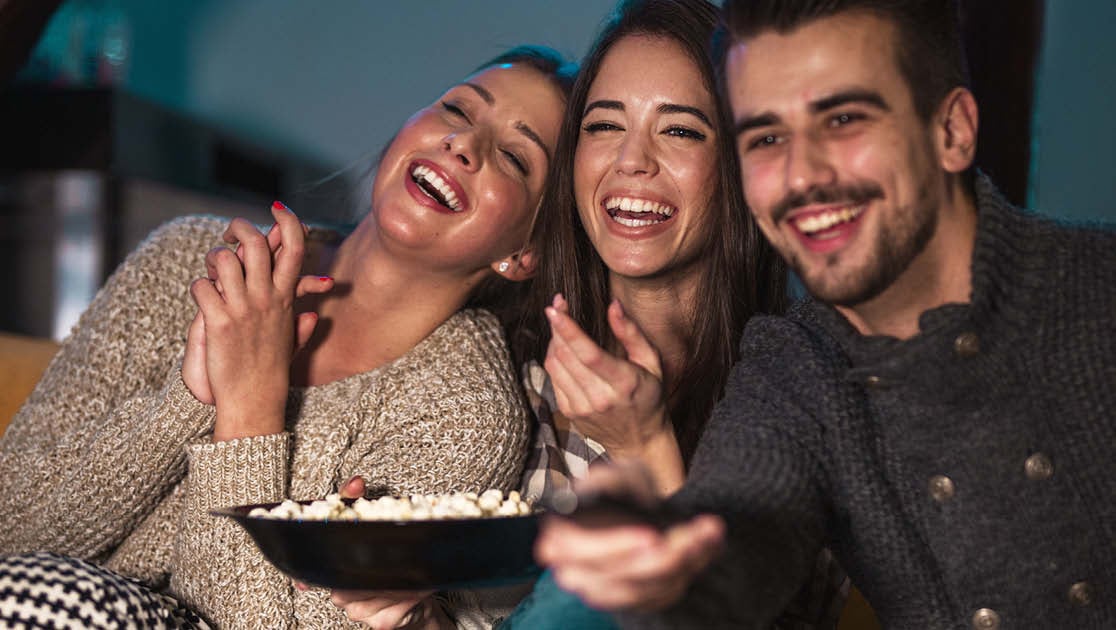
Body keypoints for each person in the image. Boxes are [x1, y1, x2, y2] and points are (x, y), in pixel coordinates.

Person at [536, 0, 1116, 628]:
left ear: (951, 131)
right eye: (766, 137)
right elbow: (742, 531)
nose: (800, 176)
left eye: (843, 118)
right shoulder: (794, 368)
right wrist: (668, 569)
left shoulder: (1098, 287)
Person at [0, 45, 573, 629]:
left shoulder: (464, 412)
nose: (465, 145)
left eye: (513, 156)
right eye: (457, 109)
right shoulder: (187, 260)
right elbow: (10, 524)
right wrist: (186, 403)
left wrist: (247, 407)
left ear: (523, 253)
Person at [501, 1, 843, 628]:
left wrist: (647, 450)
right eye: (604, 126)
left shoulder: (804, 392)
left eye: (680, 130)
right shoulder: (507, 371)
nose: (633, 160)